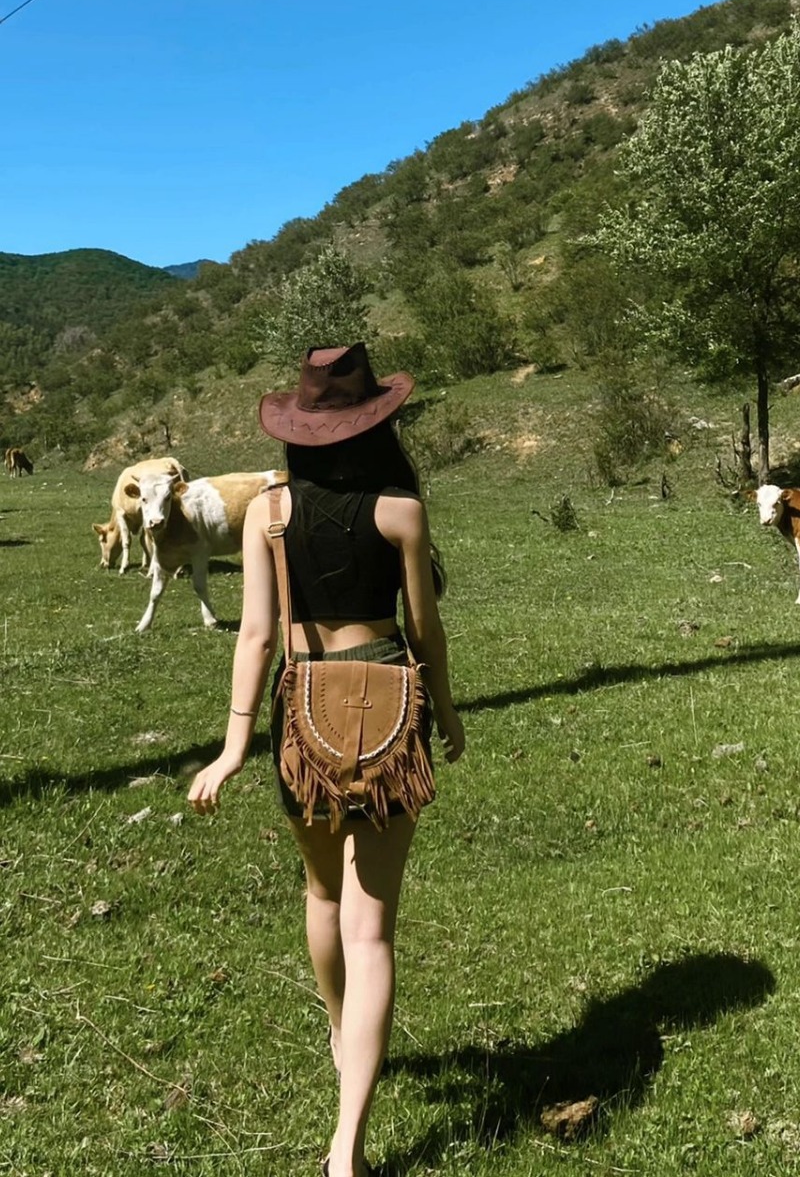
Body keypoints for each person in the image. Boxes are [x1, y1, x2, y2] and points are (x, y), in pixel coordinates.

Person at [187, 342, 465, 1177]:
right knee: (371, 926)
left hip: (301, 714)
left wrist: (234, 746)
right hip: (391, 708)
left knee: (321, 892)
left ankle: (343, 1032)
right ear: (375, 425)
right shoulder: (402, 510)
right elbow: (424, 632)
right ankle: (348, 1149)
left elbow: (256, 637)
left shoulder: (266, 512)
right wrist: (448, 711)